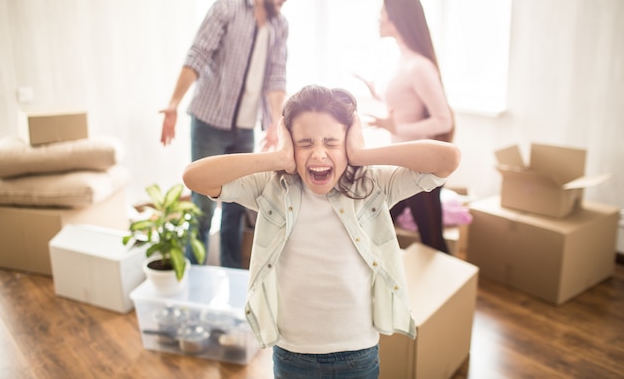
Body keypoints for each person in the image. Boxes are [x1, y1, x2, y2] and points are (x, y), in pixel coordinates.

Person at [183, 85, 460, 378]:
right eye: (304, 143)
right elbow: (194, 177)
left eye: (331, 142)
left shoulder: (371, 186)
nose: (318, 154)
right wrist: (277, 159)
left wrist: (361, 154)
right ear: (290, 145)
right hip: (293, 355)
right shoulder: (272, 188)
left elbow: (448, 159)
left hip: (358, 353)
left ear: (348, 142)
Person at [159, 0, 295, 268]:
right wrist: (173, 103)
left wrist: (275, 122)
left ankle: (232, 275)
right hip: (210, 122)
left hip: (244, 128)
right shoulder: (226, 9)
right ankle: (193, 273)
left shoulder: (280, 25)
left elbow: (277, 77)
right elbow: (197, 56)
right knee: (203, 206)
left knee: (237, 203)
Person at [357, 0, 454, 253]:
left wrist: (396, 128)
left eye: (382, 14)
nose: (379, 20)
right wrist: (376, 92)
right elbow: (406, 104)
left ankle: (453, 290)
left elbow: (443, 120)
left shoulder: (419, 66)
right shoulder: (404, 60)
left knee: (432, 240)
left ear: (397, 18)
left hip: (420, 167)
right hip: (405, 164)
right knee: (375, 220)